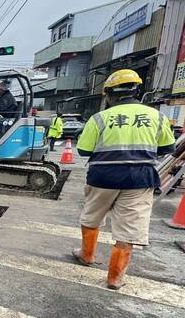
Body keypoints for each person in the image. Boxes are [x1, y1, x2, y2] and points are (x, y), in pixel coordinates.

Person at [72, 69, 175, 290]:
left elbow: (83, 150)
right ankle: (115, 277)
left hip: (103, 177)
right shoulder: (157, 117)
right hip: (139, 179)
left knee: (91, 216)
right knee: (129, 228)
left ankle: (87, 254)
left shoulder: (100, 118)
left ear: (109, 94)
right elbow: (168, 147)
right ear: (137, 90)